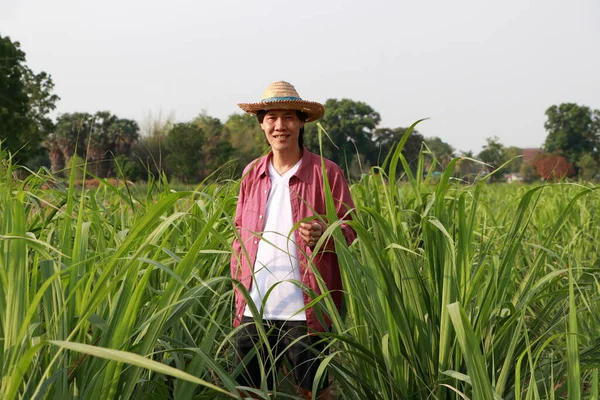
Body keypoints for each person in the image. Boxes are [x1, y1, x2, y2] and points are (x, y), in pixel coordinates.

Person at [230, 81, 356, 399]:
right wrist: (238, 291)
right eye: (271, 117)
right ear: (262, 124)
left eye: (288, 117)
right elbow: (239, 238)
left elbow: (351, 232)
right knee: (250, 390)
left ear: (301, 122)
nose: (280, 126)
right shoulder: (251, 174)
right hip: (254, 306)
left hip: (307, 308)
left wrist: (326, 233)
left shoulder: (326, 174)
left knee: (314, 391)